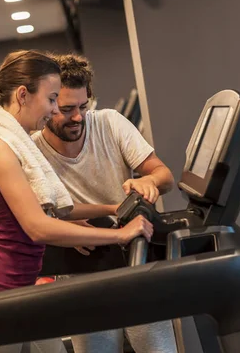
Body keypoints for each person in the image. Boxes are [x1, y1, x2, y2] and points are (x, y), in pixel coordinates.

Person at [0, 50, 154, 353]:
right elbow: (39, 227)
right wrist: (119, 234)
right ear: (23, 95)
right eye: (52, 99)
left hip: (23, 287)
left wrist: (112, 209)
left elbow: (51, 207)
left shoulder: (18, 142)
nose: (53, 111)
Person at [33, 53, 177, 353]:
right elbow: (33, 217)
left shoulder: (110, 123)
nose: (78, 117)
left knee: (157, 348)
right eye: (67, 109)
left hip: (133, 258)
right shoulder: (33, 152)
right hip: (80, 269)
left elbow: (164, 175)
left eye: (83, 106)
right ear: (48, 107)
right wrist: (61, 225)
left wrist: (148, 181)